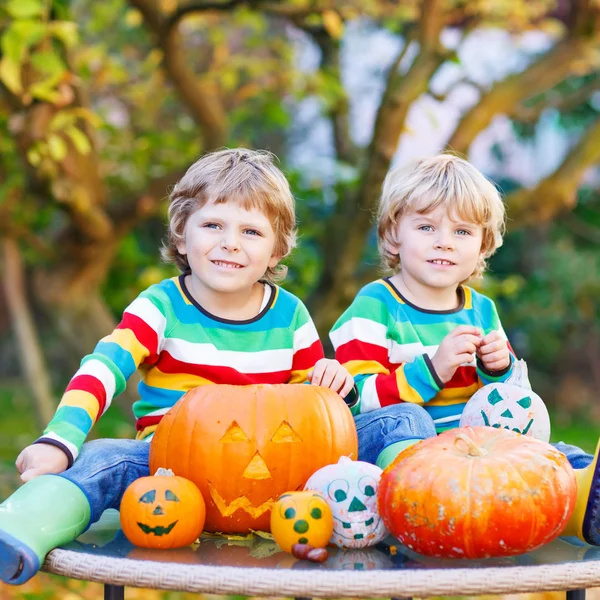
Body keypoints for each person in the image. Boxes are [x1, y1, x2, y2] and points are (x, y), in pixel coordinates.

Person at [0, 148, 355, 584]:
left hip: (274, 477)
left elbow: (315, 414)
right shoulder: (162, 306)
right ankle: (20, 527)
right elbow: (104, 368)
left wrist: (335, 382)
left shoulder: (291, 315)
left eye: (251, 231)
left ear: (277, 250)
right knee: (103, 459)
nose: (230, 242)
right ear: (182, 236)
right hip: (165, 469)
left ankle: (409, 510)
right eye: (212, 225)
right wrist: (60, 440)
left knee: (394, 421)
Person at [330, 154, 600, 546]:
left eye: (462, 232)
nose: (444, 241)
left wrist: (499, 368)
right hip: (399, 463)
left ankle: (583, 505)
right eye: (426, 227)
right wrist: (431, 370)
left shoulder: (480, 309)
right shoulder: (376, 305)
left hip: (472, 465)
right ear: (393, 235)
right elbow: (353, 401)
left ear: (483, 244)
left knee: (551, 452)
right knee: (408, 419)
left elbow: (511, 405)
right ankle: (421, 508)